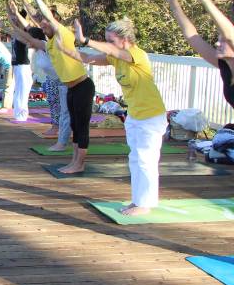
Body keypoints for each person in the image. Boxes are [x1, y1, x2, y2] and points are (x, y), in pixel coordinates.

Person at [63, 18, 166, 215]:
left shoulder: (136, 54)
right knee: (135, 159)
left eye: (111, 40)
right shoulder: (117, 57)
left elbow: (112, 51)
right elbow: (88, 58)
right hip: (135, 114)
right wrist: (65, 49)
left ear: (125, 39)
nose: (108, 44)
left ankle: (145, 203)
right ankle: (138, 200)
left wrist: (85, 39)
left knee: (146, 159)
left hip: (151, 115)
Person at [19, 0, 95, 174]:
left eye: (46, 25)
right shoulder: (50, 44)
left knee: (81, 127)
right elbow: (30, 36)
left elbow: (46, 18)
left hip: (83, 86)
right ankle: (74, 161)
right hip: (70, 88)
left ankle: (79, 164)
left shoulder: (64, 34)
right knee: (74, 126)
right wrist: (10, 26)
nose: (43, 27)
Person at [159, 0, 234, 108]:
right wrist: (173, 2)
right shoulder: (225, 66)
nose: (217, 43)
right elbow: (192, 36)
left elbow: (229, 34)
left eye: (223, 41)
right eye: (219, 39)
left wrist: (205, 0)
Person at [6, 6, 34, 121]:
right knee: (18, 90)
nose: (13, 21)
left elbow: (15, 19)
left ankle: (22, 115)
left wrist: (14, 12)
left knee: (22, 91)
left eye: (16, 18)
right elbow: (11, 18)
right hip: (17, 65)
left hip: (24, 66)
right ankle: (18, 115)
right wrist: (7, 4)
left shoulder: (24, 32)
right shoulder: (17, 32)